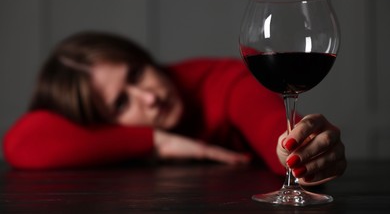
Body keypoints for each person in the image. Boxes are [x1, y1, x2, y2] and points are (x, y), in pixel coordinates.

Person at [3, 31, 346, 186]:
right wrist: (158, 142)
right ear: (100, 122)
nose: (149, 98)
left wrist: (299, 151)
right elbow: (20, 144)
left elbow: (272, 127)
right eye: (121, 103)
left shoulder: (218, 80)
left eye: (137, 73)